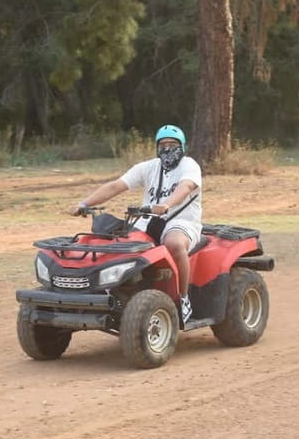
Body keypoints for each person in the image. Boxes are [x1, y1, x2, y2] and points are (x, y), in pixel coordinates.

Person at [69, 124, 202, 325]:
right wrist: (84, 203)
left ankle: (182, 298)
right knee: (118, 246)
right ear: (157, 147)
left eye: (172, 144)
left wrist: (166, 205)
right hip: (147, 221)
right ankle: (112, 290)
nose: (167, 148)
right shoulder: (148, 167)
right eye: (163, 144)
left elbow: (186, 187)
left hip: (181, 221)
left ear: (182, 147)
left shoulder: (189, 165)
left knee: (174, 244)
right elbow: (116, 186)